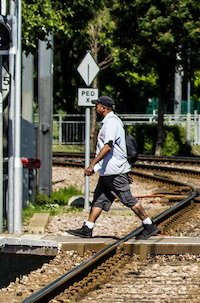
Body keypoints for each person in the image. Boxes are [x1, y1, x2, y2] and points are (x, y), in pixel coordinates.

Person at [67, 96, 158, 239]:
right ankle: (87, 228)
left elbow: (108, 147)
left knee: (128, 199)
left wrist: (92, 165)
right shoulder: (109, 122)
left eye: (96, 105)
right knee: (99, 198)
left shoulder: (111, 123)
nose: (94, 108)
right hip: (108, 170)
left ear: (103, 108)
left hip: (114, 171)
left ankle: (149, 225)